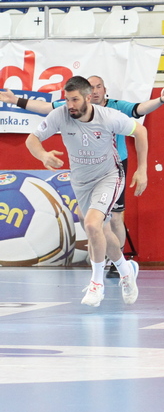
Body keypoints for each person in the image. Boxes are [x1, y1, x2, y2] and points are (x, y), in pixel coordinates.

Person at [1, 77, 164, 277]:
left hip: (112, 168)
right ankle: (119, 265)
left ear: (102, 90)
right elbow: (45, 108)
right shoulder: (70, 108)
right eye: (91, 87)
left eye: (98, 87)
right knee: (93, 222)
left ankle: (108, 270)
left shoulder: (113, 109)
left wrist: (161, 100)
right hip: (84, 172)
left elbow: (140, 110)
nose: (94, 91)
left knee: (113, 218)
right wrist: (16, 101)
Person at [24, 76, 147, 307]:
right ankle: (126, 271)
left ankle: (96, 283)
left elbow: (140, 131)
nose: (70, 105)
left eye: (75, 100)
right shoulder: (60, 115)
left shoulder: (108, 117)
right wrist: (43, 155)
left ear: (88, 98)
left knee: (91, 224)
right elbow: (32, 140)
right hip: (81, 181)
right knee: (99, 228)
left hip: (109, 176)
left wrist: (142, 169)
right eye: (67, 99)